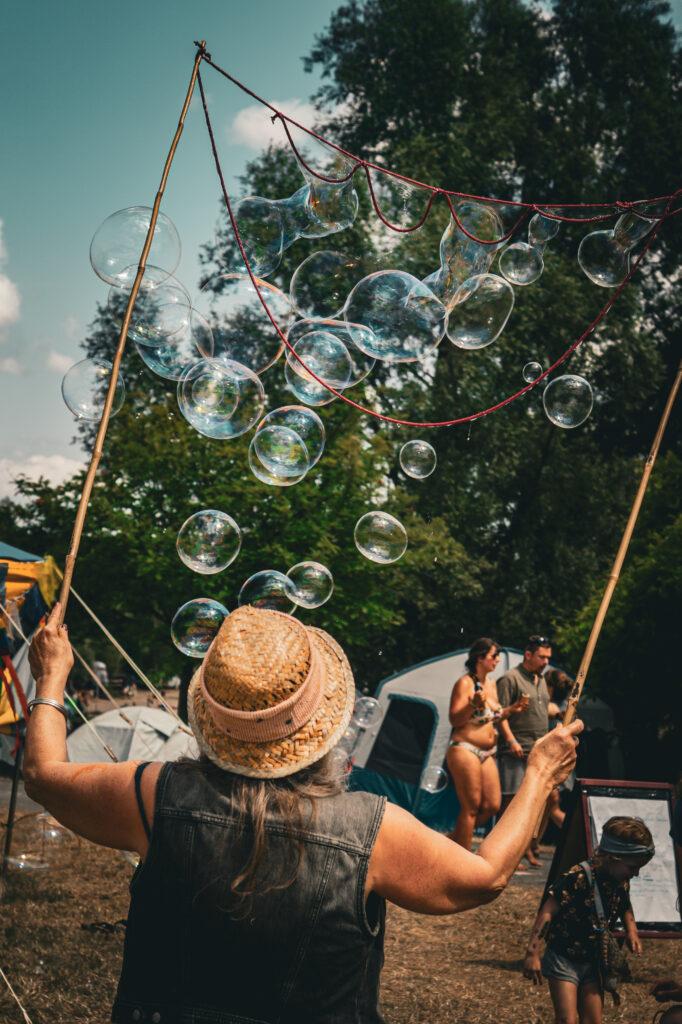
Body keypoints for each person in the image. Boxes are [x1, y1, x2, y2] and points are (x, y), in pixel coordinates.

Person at [25, 603, 582, 1024]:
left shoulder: (154, 792)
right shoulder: (373, 828)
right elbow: (484, 878)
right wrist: (537, 777)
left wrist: (51, 677)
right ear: (326, 721)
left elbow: (43, 776)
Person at [523, 816, 654, 1024]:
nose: (636, 874)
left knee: (593, 1020)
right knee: (567, 1019)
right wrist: (533, 953)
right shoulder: (578, 878)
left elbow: (624, 904)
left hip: (593, 961)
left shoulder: (620, 881)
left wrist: (632, 930)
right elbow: (548, 911)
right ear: (613, 857)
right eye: (632, 867)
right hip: (563, 958)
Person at [445, 637, 530, 849]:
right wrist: (472, 705)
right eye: (494, 656)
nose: (497, 661)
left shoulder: (491, 684)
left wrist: (512, 709)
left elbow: (494, 716)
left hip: (487, 752)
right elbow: (455, 720)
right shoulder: (464, 684)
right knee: (471, 808)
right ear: (480, 658)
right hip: (465, 749)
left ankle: (452, 839)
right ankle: (462, 859)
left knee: (492, 805)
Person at [497, 634, 559, 866]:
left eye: (548, 658)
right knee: (511, 802)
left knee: (545, 799)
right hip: (517, 749)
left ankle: (527, 846)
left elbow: (541, 707)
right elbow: (499, 714)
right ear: (528, 654)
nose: (545, 662)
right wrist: (511, 741)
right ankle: (500, 852)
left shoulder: (540, 680)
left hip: (539, 750)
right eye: (542, 657)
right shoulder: (509, 679)